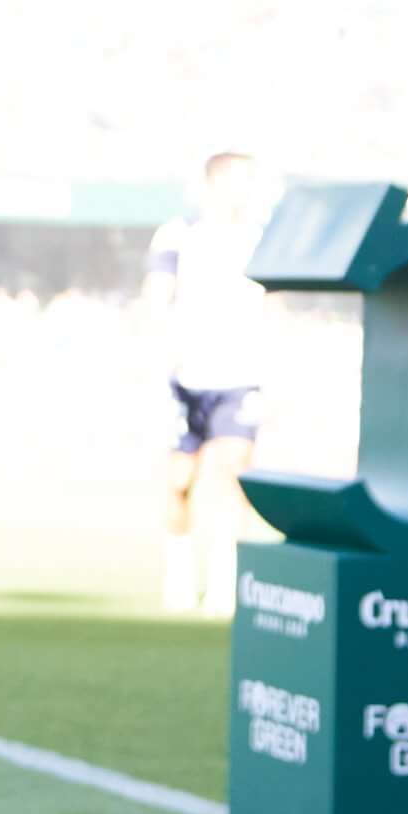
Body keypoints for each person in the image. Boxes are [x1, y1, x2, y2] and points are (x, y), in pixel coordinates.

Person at [150, 150, 279, 615]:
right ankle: (179, 577)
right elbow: (156, 297)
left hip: (240, 378)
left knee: (232, 479)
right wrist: (163, 349)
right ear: (214, 183)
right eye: (238, 181)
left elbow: (274, 305)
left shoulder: (262, 239)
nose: (246, 191)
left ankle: (227, 586)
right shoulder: (180, 235)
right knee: (178, 483)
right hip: (185, 377)